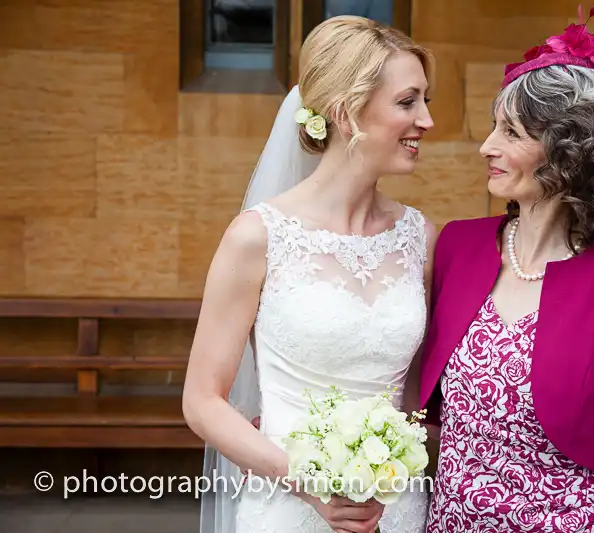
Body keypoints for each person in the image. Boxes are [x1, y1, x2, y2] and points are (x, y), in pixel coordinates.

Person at [418, 4, 594, 533]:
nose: (487, 147)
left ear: (570, 151)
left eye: (511, 133)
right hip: (449, 521)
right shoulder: (457, 246)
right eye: (494, 128)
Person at [182, 15, 437, 533]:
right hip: (287, 503)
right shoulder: (258, 237)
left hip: (394, 507)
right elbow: (203, 400)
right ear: (348, 112)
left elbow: (414, 396)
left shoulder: (420, 238)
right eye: (408, 102)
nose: (427, 120)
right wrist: (307, 480)